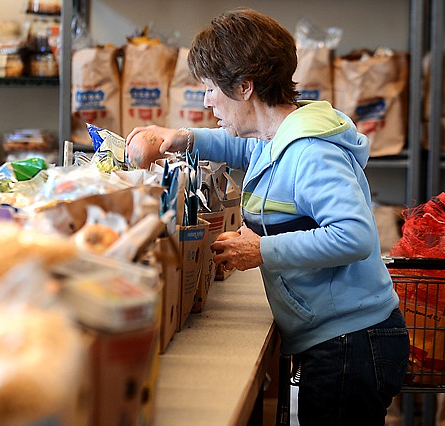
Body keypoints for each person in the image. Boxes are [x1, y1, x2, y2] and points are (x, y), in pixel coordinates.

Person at [126, 8, 410, 426]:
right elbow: (244, 149)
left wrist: (261, 249)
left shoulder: (312, 151)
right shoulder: (276, 135)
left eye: (210, 89)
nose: (205, 101)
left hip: (352, 342)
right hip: (336, 337)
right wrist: (180, 137)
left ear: (244, 87)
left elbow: (354, 236)